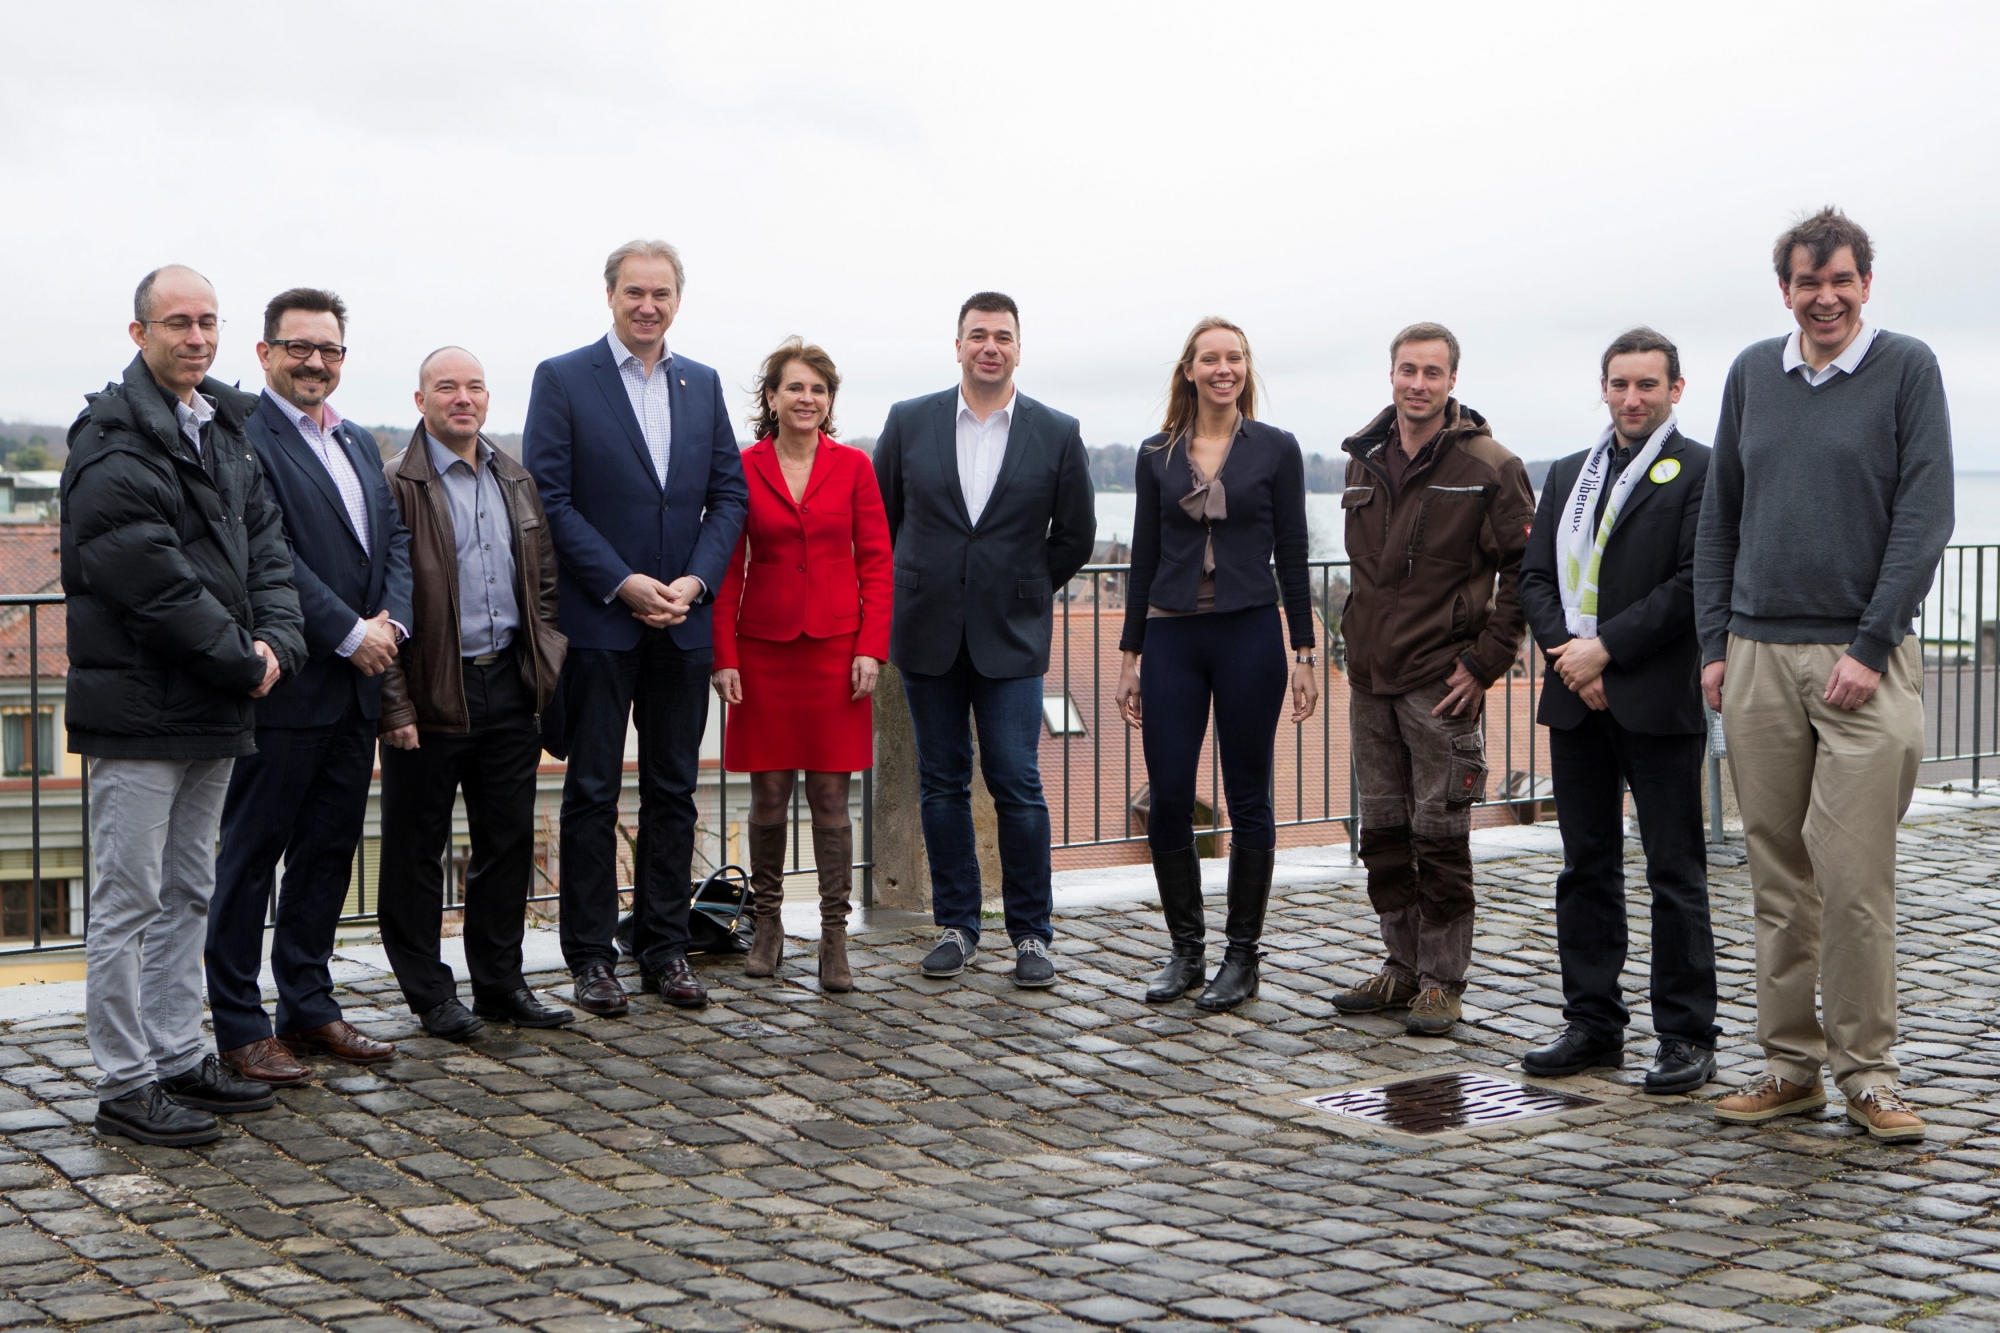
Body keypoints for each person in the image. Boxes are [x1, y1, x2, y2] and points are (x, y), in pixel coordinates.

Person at [1697, 208, 1953, 1142]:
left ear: (1865, 282)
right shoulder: (1753, 374)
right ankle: (1788, 1066)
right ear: (1786, 291)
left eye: (1840, 279)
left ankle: (1870, 1074)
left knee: (1853, 881)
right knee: (1778, 878)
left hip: (1864, 663)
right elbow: (1720, 514)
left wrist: (1871, 644)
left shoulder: (1908, 369)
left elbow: (1925, 516)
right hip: (1759, 654)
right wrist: (1714, 645)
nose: (1826, 296)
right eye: (1808, 282)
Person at [62, 266, 306, 1144]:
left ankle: (175, 1055)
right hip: (139, 711)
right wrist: (243, 659)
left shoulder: (223, 428)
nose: (195, 337)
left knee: (187, 888)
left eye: (207, 321)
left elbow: (267, 549)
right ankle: (126, 1083)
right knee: (127, 898)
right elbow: (150, 580)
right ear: (140, 335)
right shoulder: (112, 439)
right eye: (177, 323)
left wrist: (277, 640)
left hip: (211, 700)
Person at [524, 240, 749, 1015]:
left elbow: (729, 497)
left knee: (673, 791)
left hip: (683, 623)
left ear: (677, 301)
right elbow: (550, 500)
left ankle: (663, 948)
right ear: (610, 296)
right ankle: (590, 956)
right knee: (589, 792)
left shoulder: (702, 382)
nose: (647, 306)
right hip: (598, 622)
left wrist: (694, 581)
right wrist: (623, 582)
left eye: (660, 293)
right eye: (634, 292)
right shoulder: (562, 378)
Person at [209, 288, 413, 1084]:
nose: (315, 362)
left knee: (327, 855)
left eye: (328, 349)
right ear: (264, 354)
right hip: (289, 683)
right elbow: (273, 556)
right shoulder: (244, 439)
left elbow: (390, 540)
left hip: (356, 689)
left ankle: (309, 1004)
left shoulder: (359, 441)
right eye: (299, 347)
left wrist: (390, 621)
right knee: (251, 857)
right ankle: (237, 1022)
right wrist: (348, 631)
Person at [873, 292, 1095, 987]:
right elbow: (883, 521)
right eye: (978, 335)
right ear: (959, 345)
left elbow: (1077, 535)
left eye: (1003, 335)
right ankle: (958, 925)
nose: (990, 346)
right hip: (927, 633)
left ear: (1019, 348)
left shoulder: (1057, 432)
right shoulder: (910, 423)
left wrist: (1023, 587)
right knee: (941, 783)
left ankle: (1031, 933)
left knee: (1017, 782)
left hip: (1011, 636)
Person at [1518, 328, 1718, 1093]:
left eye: (1648, 384)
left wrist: (1608, 651)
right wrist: (1572, 656)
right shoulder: (1571, 471)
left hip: (1658, 700)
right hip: (1576, 700)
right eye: (1620, 384)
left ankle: (1686, 1034)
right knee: (1586, 867)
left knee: (1675, 871)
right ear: (1603, 388)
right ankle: (1593, 1021)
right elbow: (1535, 577)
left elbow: (1694, 580)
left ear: (1675, 388)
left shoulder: (1702, 470)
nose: (1633, 398)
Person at [1330, 323, 1535, 1035]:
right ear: (1391, 375)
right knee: (1383, 832)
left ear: (1452, 380)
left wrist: (1485, 662)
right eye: (1407, 370)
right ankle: (1401, 965)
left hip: (1441, 683)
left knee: (1440, 834)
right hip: (1371, 680)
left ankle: (1443, 980)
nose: (1418, 383)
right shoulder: (1364, 460)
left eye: (1432, 372)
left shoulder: (1491, 466)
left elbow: (1525, 574)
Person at [1113, 318, 1318, 1012]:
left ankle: (1242, 957)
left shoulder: (1276, 449)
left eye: (1234, 358)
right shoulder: (1155, 454)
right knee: (1169, 793)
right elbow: (1142, 556)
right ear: (1191, 369)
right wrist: (1129, 655)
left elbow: (1292, 551)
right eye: (1210, 358)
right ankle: (1186, 951)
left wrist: (1304, 652)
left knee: (1250, 795)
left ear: (1245, 369)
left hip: (1250, 636)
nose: (1222, 368)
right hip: (1172, 638)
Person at [375, 347, 574, 1040]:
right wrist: (394, 703)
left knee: (507, 842)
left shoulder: (514, 476)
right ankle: (430, 994)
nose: (463, 398)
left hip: (508, 686)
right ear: (421, 399)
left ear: (488, 399)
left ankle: (500, 983)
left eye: (475, 387)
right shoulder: (397, 482)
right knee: (415, 850)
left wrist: (543, 663)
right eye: (447, 387)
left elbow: (542, 584)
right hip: (432, 690)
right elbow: (381, 601)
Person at [711, 339, 892, 992]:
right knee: (767, 795)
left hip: (835, 652)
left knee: (829, 798)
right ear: (771, 397)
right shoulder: (743, 466)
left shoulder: (853, 468)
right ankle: (767, 924)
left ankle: (834, 938)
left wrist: (871, 644)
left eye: (818, 389)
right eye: (795, 387)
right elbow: (728, 567)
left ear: (829, 401)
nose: (806, 399)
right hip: (762, 650)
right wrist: (723, 654)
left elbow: (877, 560)